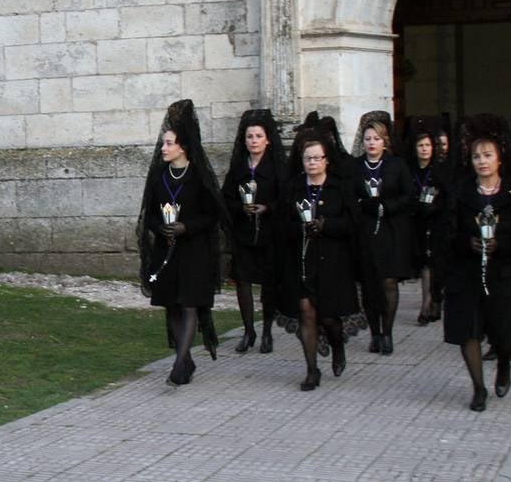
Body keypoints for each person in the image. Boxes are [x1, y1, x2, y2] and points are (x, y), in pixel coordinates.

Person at [442, 116, 511, 411]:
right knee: (468, 330)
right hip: (467, 272)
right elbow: (448, 233)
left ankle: (503, 364)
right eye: (476, 156)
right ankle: (478, 388)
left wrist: (502, 244)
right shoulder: (462, 193)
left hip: (504, 272)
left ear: (500, 158)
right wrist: (468, 243)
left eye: (487, 155)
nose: (482, 161)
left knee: (504, 332)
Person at [136, 99, 227, 385]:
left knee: (189, 304)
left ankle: (178, 365)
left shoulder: (199, 177)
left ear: (183, 147)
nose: (163, 148)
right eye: (163, 143)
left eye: (169, 143)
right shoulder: (159, 177)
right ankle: (184, 359)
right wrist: (160, 228)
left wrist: (186, 227)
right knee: (172, 305)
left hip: (194, 251)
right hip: (167, 251)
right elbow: (149, 214)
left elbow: (212, 215)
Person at [274, 131, 361, 390]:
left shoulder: (339, 188)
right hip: (302, 261)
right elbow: (281, 224)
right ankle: (312, 370)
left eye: (316, 158)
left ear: (326, 160)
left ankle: (337, 346)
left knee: (329, 317)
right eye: (307, 158)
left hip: (333, 262)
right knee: (306, 312)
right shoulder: (293, 189)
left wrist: (326, 225)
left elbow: (352, 224)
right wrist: (300, 228)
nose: (312, 163)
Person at [221, 108, 285, 354]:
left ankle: (267, 330)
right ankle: (249, 330)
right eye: (250, 136)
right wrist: (240, 208)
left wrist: (267, 208)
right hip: (244, 232)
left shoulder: (277, 167)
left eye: (259, 136)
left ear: (267, 139)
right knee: (243, 281)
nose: (254, 141)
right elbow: (226, 197)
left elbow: (287, 198)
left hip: (270, 233)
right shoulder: (239, 168)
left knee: (269, 284)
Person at [352, 111, 414, 354]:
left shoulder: (396, 165)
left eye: (376, 139)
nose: (371, 143)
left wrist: (387, 206)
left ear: (384, 141)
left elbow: (408, 195)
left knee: (388, 281)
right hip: (366, 231)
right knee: (369, 285)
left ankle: (387, 332)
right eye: (368, 139)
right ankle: (375, 333)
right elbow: (349, 196)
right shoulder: (355, 167)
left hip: (391, 230)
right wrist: (362, 204)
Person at [404, 117, 452, 325]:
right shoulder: (410, 169)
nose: (424, 149)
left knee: (437, 263)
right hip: (418, 221)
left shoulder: (441, 169)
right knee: (424, 263)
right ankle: (427, 303)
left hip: (438, 221)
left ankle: (434, 302)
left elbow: (449, 197)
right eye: (420, 145)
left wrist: (437, 205)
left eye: (427, 145)